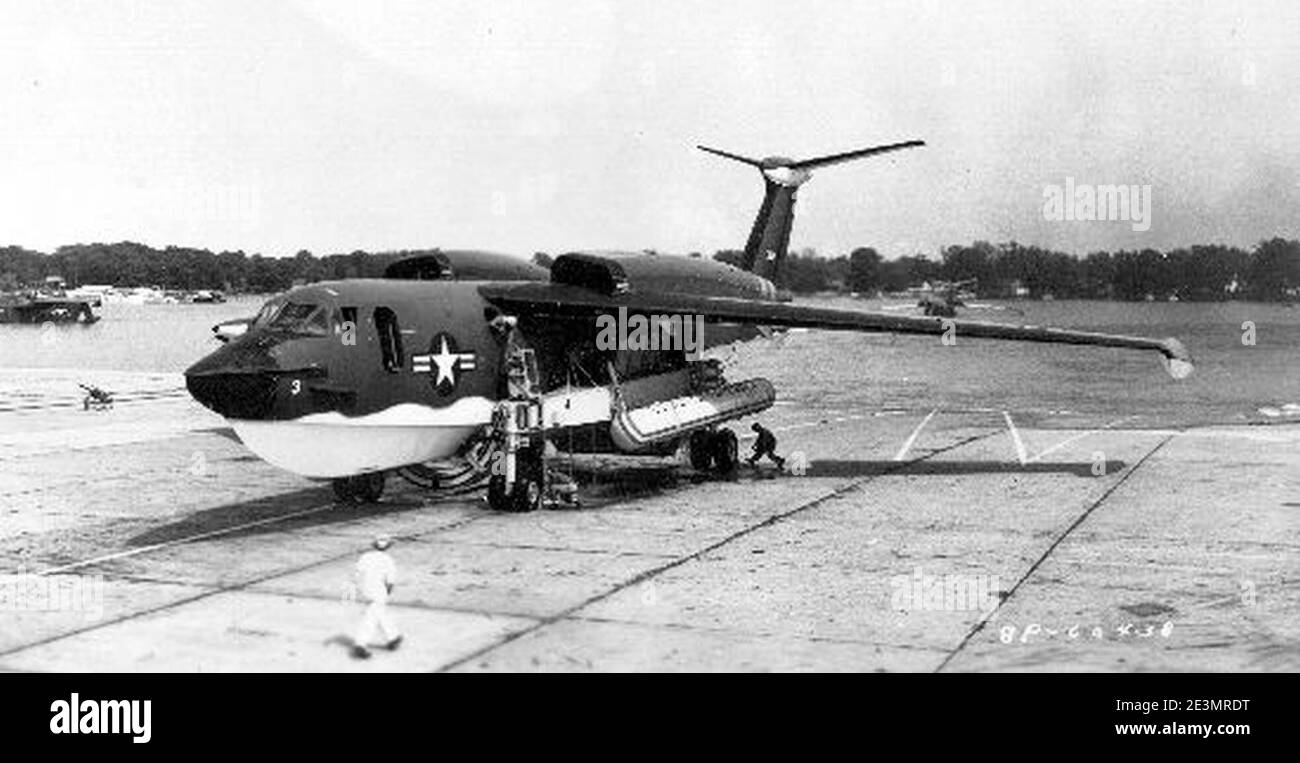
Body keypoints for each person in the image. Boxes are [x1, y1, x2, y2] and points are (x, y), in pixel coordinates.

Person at [351, 536, 402, 659]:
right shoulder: (387, 560)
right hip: (378, 591)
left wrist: (357, 590)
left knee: (378, 612)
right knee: (371, 618)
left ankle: (393, 637)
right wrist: (386, 593)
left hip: (364, 590)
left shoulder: (365, 557)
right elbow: (390, 582)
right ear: (388, 547)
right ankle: (360, 645)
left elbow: (356, 574)